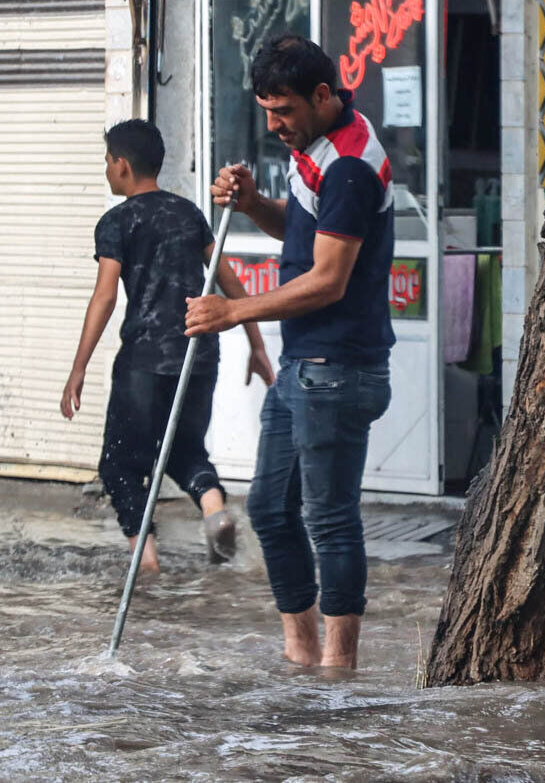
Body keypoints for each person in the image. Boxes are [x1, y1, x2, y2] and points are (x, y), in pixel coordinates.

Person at [185, 35, 394, 668]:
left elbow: (329, 279)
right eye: (266, 111)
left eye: (285, 111)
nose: (274, 126)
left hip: (337, 367)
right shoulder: (323, 149)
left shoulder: (352, 166)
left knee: (329, 518)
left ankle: (340, 667)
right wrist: (251, 205)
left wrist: (233, 311)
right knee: (272, 511)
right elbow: (305, 228)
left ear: (323, 96)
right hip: (303, 366)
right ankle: (301, 657)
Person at [61, 119, 275, 573]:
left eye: (106, 162)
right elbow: (227, 276)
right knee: (184, 451)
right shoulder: (187, 212)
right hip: (200, 353)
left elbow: (104, 296)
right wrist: (255, 343)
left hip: (144, 359)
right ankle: (215, 510)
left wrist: (78, 368)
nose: (105, 170)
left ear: (121, 166)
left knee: (120, 464)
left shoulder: (116, 222)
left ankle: (148, 562)